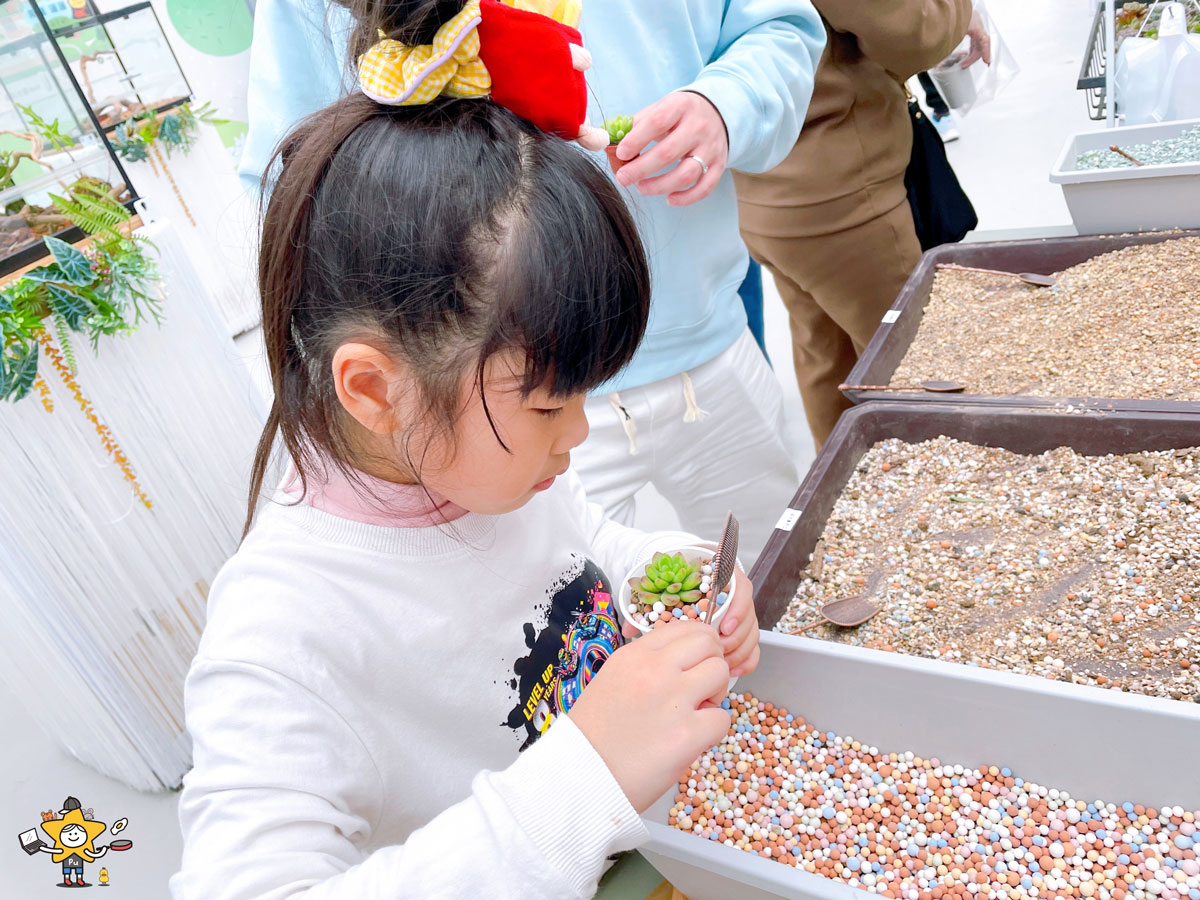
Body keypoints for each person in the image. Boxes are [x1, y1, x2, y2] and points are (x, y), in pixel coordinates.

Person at [171, 16, 761, 897]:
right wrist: (586, 775)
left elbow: (583, 551)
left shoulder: (491, 472)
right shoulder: (283, 631)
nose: (579, 436)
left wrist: (675, 576)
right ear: (375, 390)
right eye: (549, 404)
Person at [239, 0, 826, 564]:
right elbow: (292, 174)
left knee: (775, 573)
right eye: (556, 412)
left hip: (706, 338)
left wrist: (726, 105)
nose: (574, 429)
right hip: (488, 392)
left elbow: (781, 25)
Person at [734, 2, 988, 449]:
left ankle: (852, 501)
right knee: (917, 372)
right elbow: (912, 31)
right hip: (842, 192)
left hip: (766, 186)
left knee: (829, 363)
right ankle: (935, 500)